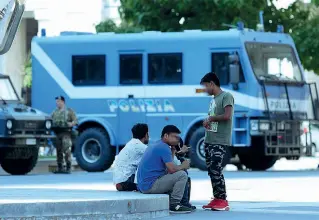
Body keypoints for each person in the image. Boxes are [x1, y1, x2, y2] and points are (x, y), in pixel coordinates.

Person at [137, 125, 193, 214]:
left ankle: (180, 202)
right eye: (175, 137)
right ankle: (174, 204)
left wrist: (174, 150)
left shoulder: (158, 144)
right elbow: (172, 169)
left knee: (177, 173)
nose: (177, 140)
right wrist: (184, 165)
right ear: (166, 136)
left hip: (144, 185)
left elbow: (169, 165)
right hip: (150, 186)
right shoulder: (164, 147)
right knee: (182, 175)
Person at [200, 72, 234, 211]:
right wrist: (207, 122)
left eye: (205, 86)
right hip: (210, 139)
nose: (205, 90)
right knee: (211, 170)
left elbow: (227, 116)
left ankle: (223, 200)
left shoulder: (226, 96)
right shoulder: (213, 99)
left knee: (216, 168)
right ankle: (217, 198)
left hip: (220, 140)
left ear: (212, 84)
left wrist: (212, 118)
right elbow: (213, 117)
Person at [113, 123, 149, 191]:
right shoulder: (140, 146)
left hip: (120, 181)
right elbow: (155, 155)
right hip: (126, 182)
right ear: (146, 135)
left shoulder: (131, 143)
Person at [51, 96, 78, 174]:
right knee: (58, 150)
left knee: (67, 150)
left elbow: (75, 120)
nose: (57, 103)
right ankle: (60, 167)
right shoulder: (54, 112)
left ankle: (68, 167)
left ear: (63, 102)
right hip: (57, 133)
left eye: (59, 101)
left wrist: (71, 123)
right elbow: (50, 119)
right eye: (56, 102)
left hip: (66, 133)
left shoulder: (69, 111)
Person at [171, 138, 196, 211]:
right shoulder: (170, 154)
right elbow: (178, 165)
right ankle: (184, 202)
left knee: (184, 174)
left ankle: (185, 201)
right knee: (184, 173)